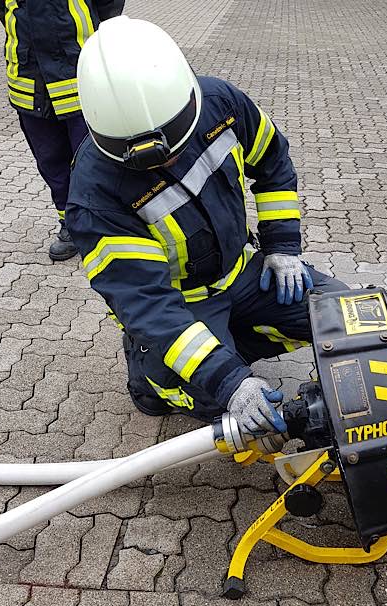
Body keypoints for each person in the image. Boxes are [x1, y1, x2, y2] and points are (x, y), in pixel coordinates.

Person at [67, 16, 348, 437]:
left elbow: (273, 165)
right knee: (210, 395)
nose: (166, 163)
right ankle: (152, 378)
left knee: (345, 315)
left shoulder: (221, 104)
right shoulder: (95, 197)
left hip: (242, 272)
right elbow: (149, 305)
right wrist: (231, 383)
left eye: (174, 147)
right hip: (178, 307)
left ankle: (230, 344)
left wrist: (282, 247)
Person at [0, 0, 124, 261]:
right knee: (50, 159)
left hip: (78, 68)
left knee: (94, 158)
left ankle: (104, 223)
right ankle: (71, 223)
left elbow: (109, 3)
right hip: (29, 72)